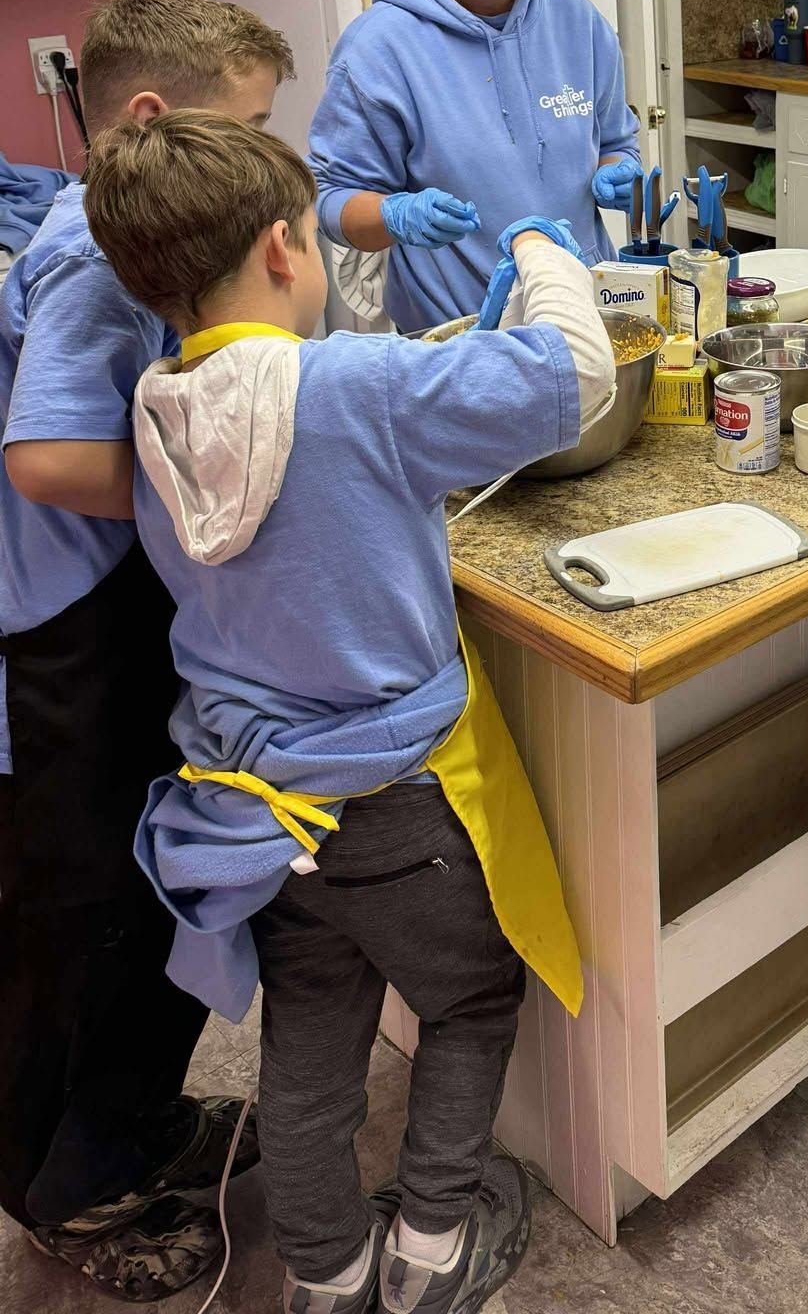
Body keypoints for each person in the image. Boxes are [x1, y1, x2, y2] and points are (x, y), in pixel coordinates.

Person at [84, 111, 614, 1314]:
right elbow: (575, 373)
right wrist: (544, 249)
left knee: (313, 1025)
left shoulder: (158, 402)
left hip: (257, 807)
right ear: (284, 248)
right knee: (470, 998)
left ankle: (324, 1267)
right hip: (393, 805)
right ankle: (431, 1244)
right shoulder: (355, 384)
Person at [0, 0, 292, 1301]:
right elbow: (54, 455)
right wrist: (210, 480)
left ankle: (137, 1129)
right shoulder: (93, 260)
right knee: (97, 924)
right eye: (249, 132)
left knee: (145, 903)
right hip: (67, 645)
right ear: (156, 122)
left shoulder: (122, 236)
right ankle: (71, 1195)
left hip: (99, 614)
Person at [309, 0, 643, 334]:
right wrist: (397, 215)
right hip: (454, 344)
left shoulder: (579, 24)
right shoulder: (378, 49)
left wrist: (617, 173)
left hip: (583, 325)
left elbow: (617, 143)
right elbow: (331, 202)